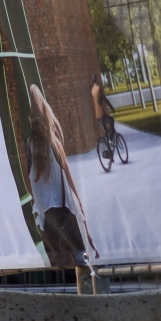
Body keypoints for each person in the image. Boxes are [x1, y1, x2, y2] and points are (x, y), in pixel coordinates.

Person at [27, 85, 97, 268]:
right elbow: (69, 179)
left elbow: (30, 183)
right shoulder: (55, 143)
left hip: (46, 216)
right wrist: (79, 203)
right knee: (80, 260)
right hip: (65, 211)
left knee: (58, 265)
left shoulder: (29, 146)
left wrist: (37, 208)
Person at [90, 74, 115, 146]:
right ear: (97, 79)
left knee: (105, 130)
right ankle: (110, 140)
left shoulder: (92, 90)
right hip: (101, 113)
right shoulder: (98, 88)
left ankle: (108, 143)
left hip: (97, 114)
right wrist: (112, 108)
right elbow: (104, 99)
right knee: (111, 120)